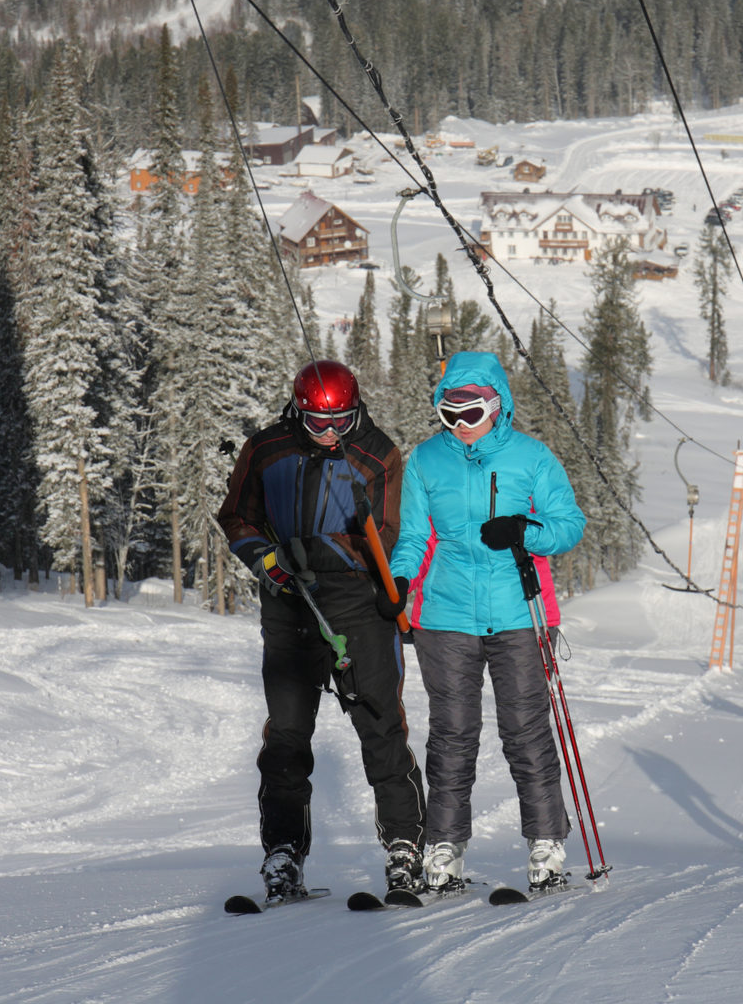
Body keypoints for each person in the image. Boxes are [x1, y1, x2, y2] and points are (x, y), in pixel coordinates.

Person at [217, 360, 426, 901]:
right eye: (317, 423)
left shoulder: (376, 453)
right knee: (287, 732)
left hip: (355, 601)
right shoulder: (266, 449)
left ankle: (404, 847)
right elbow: (237, 516)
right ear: (297, 409)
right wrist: (266, 558)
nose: (330, 432)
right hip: (288, 601)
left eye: (341, 421)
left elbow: (380, 532)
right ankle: (283, 852)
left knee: (379, 721)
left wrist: (313, 550)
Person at [383, 352, 586, 894]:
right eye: (449, 414)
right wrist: (399, 583)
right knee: (452, 735)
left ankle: (546, 844)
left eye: (470, 413)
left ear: (496, 406)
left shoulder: (531, 458)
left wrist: (525, 529)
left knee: (526, 731)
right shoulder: (426, 462)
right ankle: (444, 847)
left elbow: (569, 525)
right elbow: (413, 539)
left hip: (520, 612)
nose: (460, 425)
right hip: (445, 617)